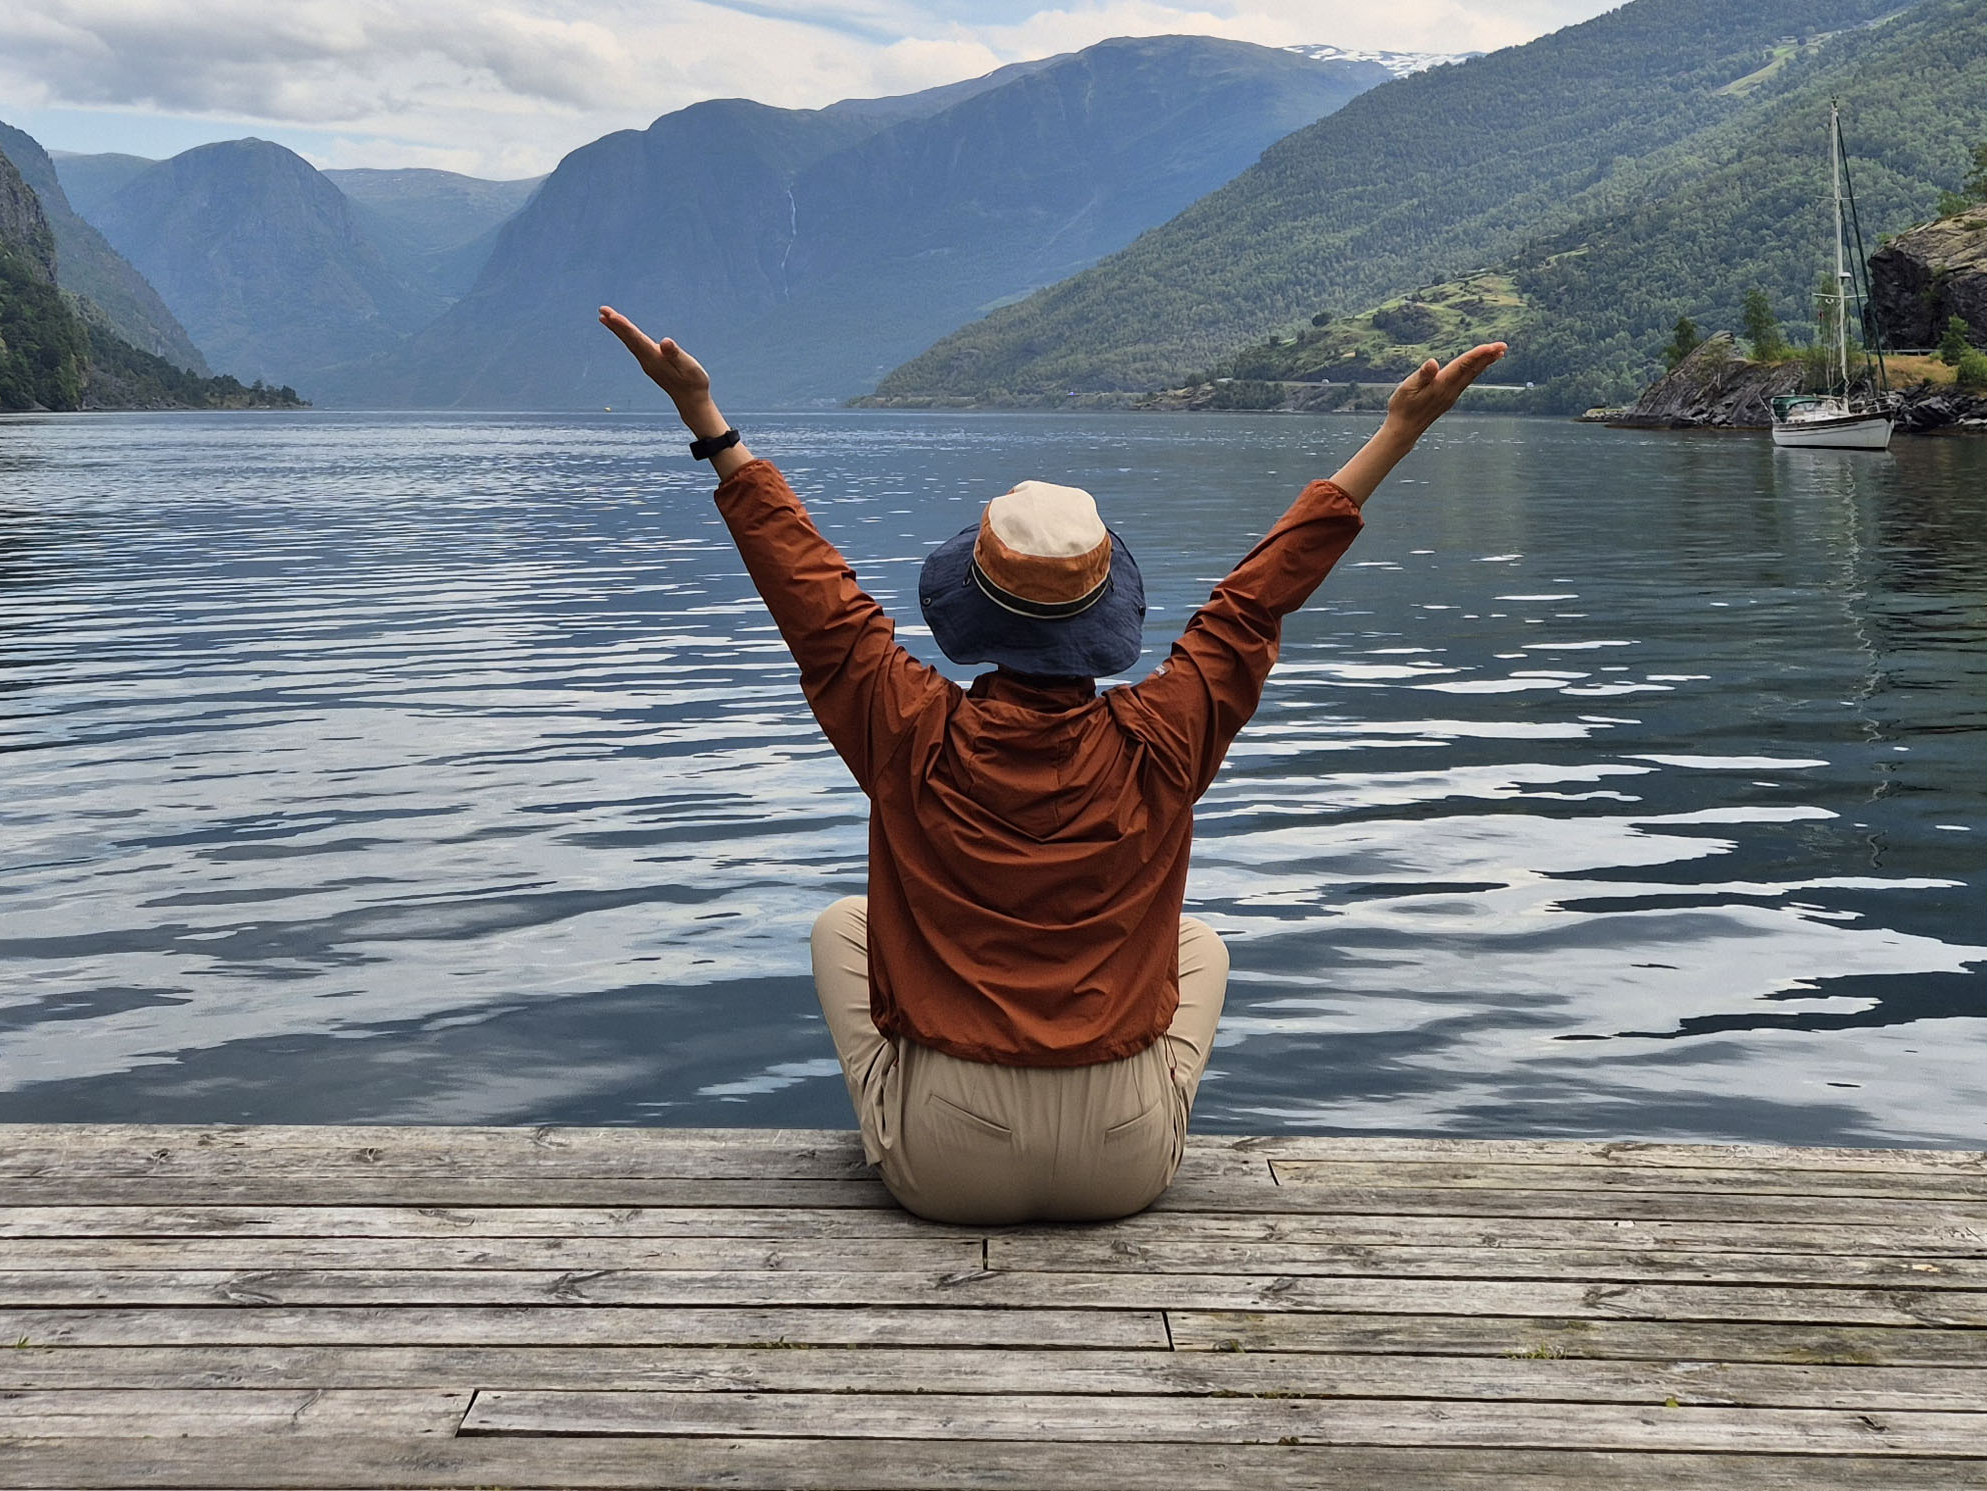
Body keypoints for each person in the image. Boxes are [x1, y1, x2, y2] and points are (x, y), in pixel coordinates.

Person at [598, 305, 1508, 1226]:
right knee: (1201, 944)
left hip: (948, 1161)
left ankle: (904, 1118)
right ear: (1105, 610)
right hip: (1123, 1159)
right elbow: (1252, 603)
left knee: (843, 927)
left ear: (973, 603)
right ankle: (1120, 1116)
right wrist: (1397, 433)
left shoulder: (907, 728)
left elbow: (817, 602)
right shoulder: (1165, 735)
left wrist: (709, 421)